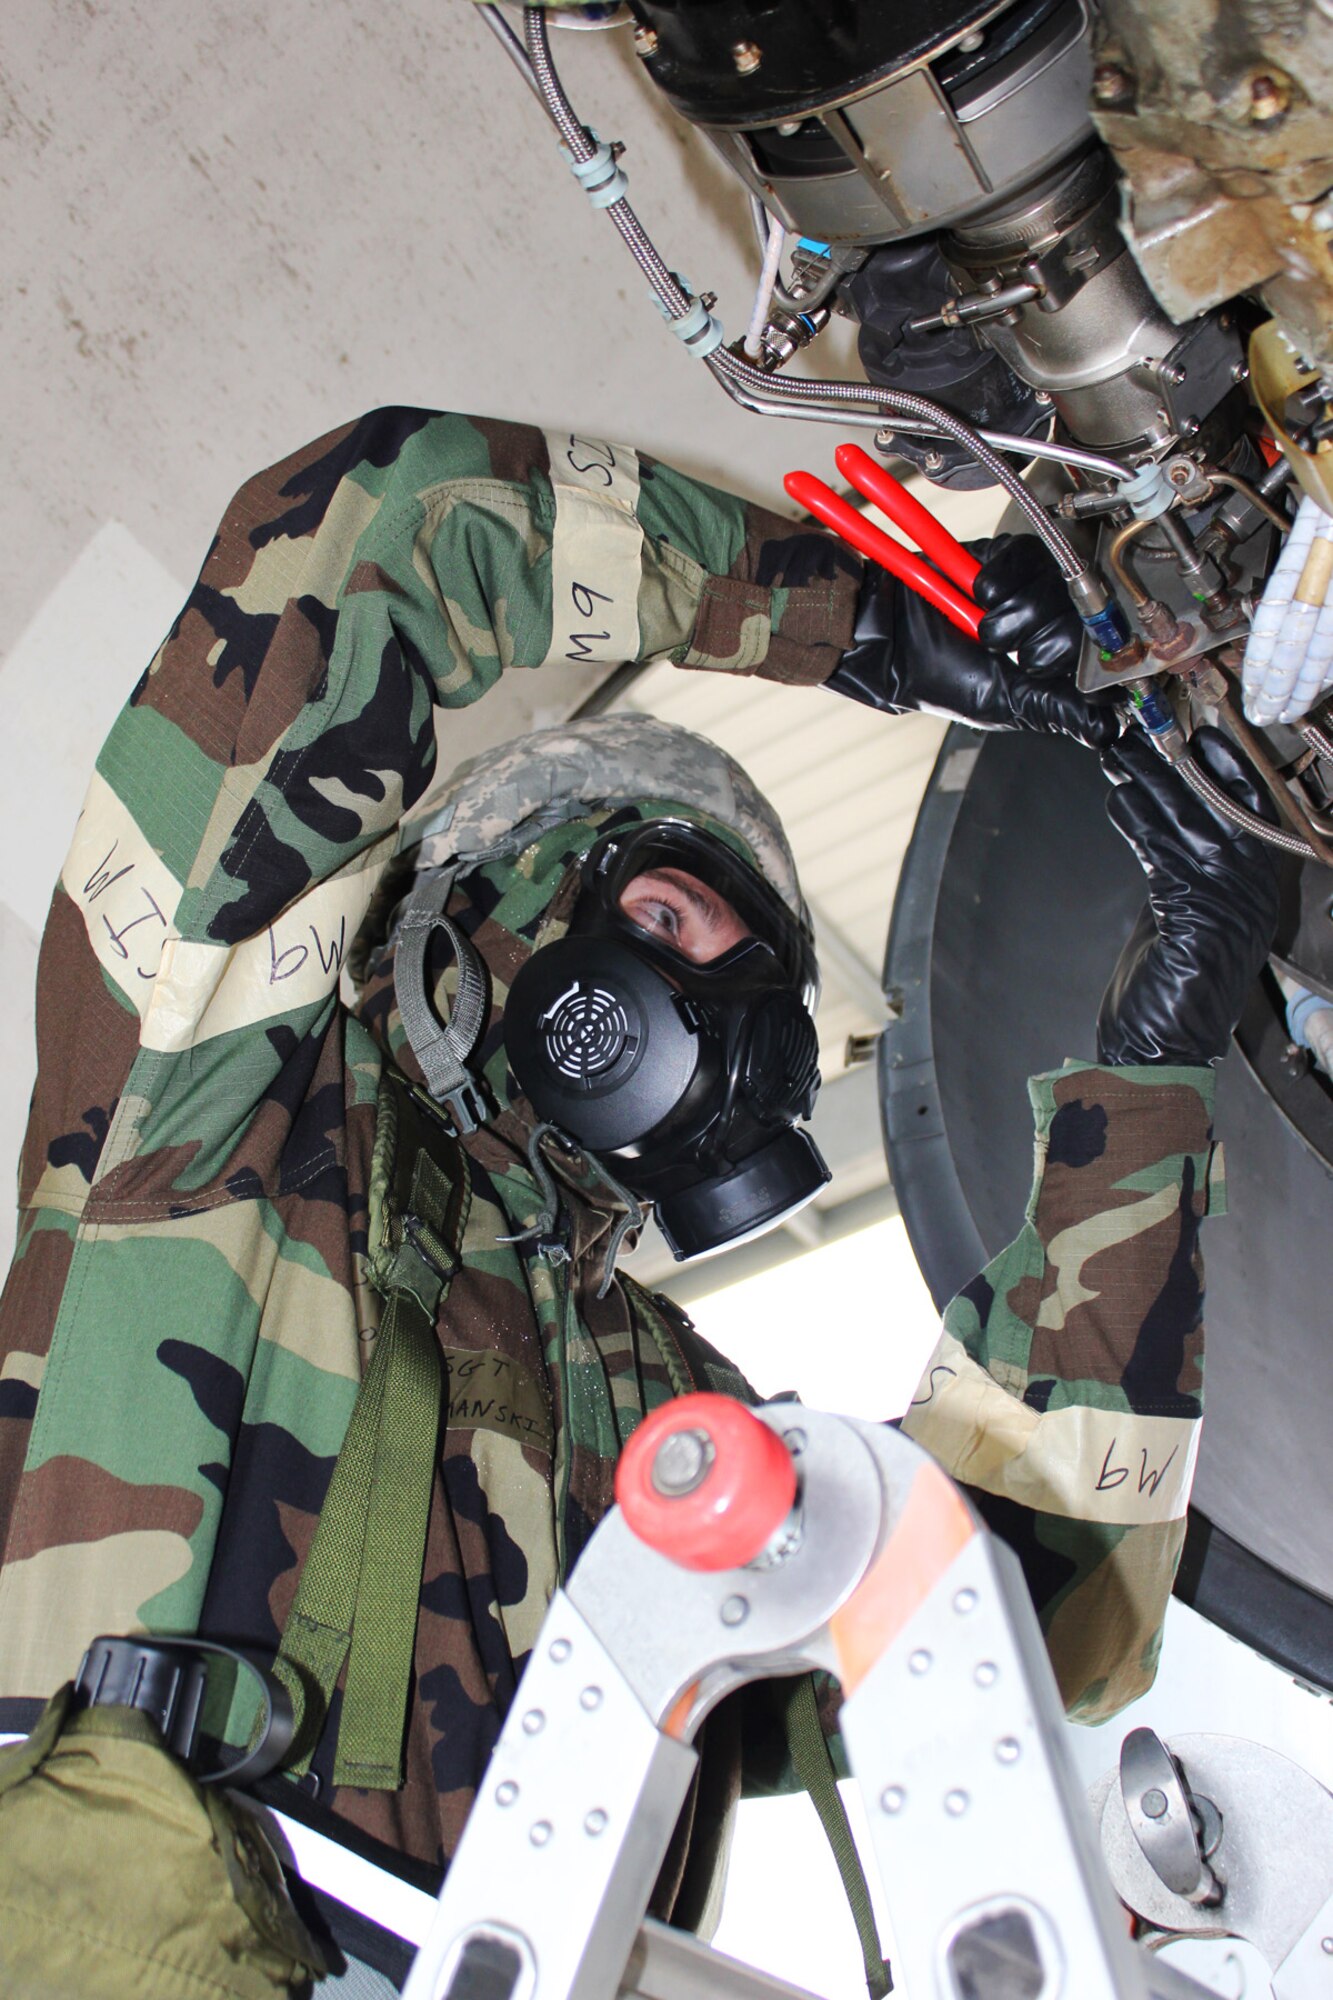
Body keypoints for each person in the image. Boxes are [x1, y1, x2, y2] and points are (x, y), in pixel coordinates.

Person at [0, 410, 1276, 1915]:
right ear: (492, 923)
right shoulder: (231, 1087)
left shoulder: (659, 1412)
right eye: (669, 917)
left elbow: (1021, 1612)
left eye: (756, 991)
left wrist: (1146, 1070)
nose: (710, 1013)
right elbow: (381, 528)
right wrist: (878, 620)